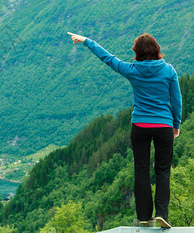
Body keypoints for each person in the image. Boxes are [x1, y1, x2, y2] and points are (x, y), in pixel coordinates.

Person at [67, 32, 182, 228]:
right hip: (163, 126)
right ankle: (162, 214)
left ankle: (144, 216)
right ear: (156, 49)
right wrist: (176, 124)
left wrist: (86, 41)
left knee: (141, 171)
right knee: (163, 172)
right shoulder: (169, 71)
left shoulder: (132, 70)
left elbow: (108, 58)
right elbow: (176, 101)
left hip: (140, 126)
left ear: (137, 52)